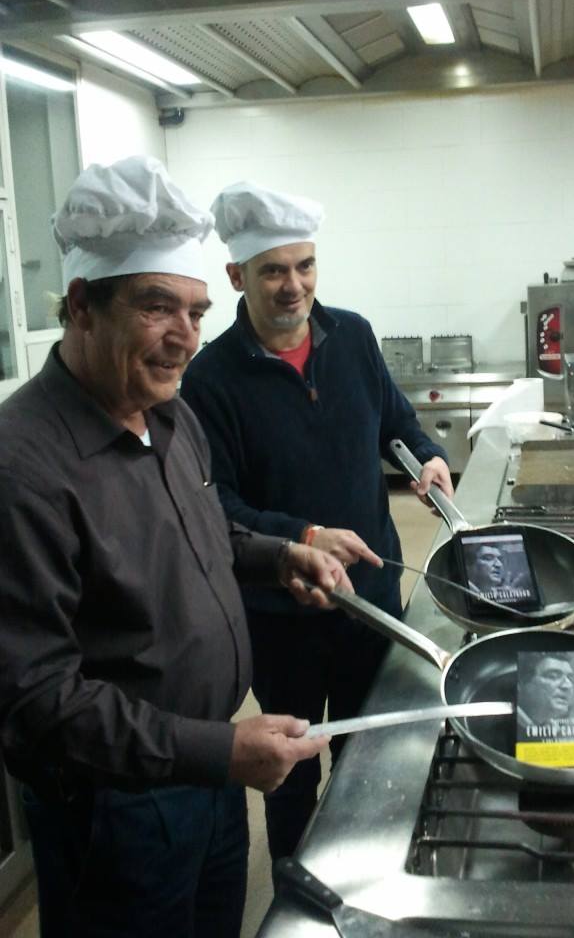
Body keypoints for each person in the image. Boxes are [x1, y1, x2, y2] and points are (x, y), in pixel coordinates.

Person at [0, 156, 353, 938]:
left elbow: (204, 529)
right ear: (83, 305)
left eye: (196, 312)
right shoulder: (24, 467)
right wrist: (214, 751)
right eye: (158, 308)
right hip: (113, 810)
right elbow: (36, 699)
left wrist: (277, 555)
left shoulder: (167, 414)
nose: (185, 338)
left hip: (208, 777)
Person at [180, 181, 453, 862]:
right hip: (282, 616)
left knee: (375, 755)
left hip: (372, 599)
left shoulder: (353, 336)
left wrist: (429, 457)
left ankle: (371, 877)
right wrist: (301, 535)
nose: (293, 285)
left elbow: (397, 422)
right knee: (292, 772)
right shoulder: (210, 380)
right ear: (237, 276)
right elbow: (216, 506)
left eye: (304, 265)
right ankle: (297, 889)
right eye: (273, 270)